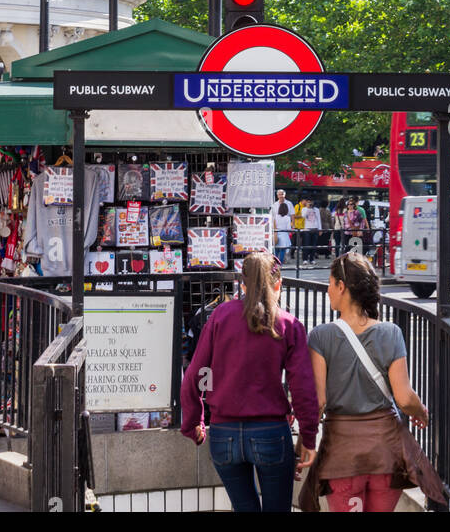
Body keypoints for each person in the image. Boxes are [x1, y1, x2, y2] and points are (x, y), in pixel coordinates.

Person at [181, 252, 318, 512]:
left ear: (241, 284)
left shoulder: (221, 316)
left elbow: (198, 373)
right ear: (278, 284)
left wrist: (193, 421)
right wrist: (308, 436)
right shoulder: (289, 324)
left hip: (223, 434)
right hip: (271, 433)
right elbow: (302, 389)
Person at [302, 253, 435, 514]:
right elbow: (405, 398)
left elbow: (318, 402)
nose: (328, 290)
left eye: (330, 283)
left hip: (342, 455)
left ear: (342, 287)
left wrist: (305, 444)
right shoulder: (391, 333)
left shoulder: (320, 337)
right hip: (386, 453)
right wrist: (421, 412)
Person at [273, 200, 294, 266]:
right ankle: (280, 264)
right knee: (282, 251)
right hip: (284, 235)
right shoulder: (287, 218)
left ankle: (275, 263)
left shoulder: (276, 217)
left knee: (276, 250)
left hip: (276, 234)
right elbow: (288, 228)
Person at [301, 198, 320, 266]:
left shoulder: (316, 209)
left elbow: (318, 219)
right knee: (306, 245)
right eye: (308, 202)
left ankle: (312, 259)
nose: (310, 203)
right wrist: (308, 208)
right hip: (307, 229)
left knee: (314, 245)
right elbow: (303, 216)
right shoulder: (304, 209)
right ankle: (305, 259)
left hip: (315, 228)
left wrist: (319, 229)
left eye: (311, 202)